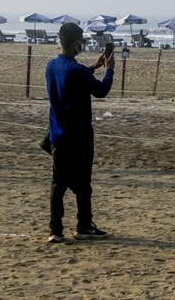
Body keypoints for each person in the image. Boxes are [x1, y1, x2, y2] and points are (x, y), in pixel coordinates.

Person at [46, 22, 114, 242]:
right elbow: (101, 91)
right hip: (80, 136)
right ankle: (83, 225)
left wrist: (94, 66)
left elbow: (74, 75)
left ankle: (55, 229)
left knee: (58, 183)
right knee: (83, 183)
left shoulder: (52, 66)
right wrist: (110, 70)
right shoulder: (76, 71)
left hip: (57, 134)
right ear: (76, 43)